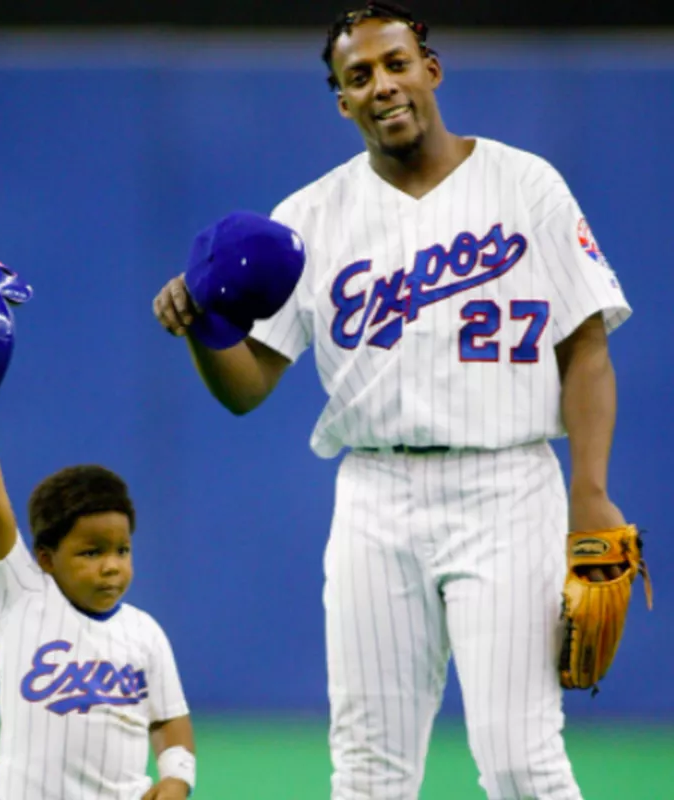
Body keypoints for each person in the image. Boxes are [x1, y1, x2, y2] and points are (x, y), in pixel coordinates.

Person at [152, 2, 632, 798]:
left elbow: (586, 348)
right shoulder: (308, 219)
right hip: (376, 498)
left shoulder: (525, 183)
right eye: (359, 76)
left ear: (430, 69)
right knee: (370, 772)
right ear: (342, 100)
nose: (383, 85)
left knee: (521, 761)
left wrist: (590, 489)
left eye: (396, 63)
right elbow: (249, 388)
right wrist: (207, 327)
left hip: (509, 486)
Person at [0, 376, 196, 800]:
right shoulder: (22, 598)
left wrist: (177, 776)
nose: (112, 567)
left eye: (122, 550)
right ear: (46, 559)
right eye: (91, 553)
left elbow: (168, 719)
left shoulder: (145, 633)